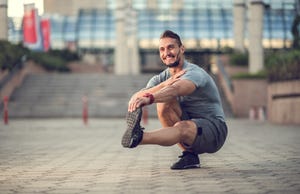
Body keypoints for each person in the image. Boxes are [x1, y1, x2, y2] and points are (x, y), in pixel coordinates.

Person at [121, 30, 228, 170]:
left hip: (214, 130)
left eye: (171, 47)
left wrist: (151, 98)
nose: (166, 53)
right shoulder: (161, 78)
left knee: (172, 108)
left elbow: (176, 89)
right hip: (189, 123)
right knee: (164, 103)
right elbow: (136, 97)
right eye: (162, 49)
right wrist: (166, 83)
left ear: (181, 49)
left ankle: (139, 138)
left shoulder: (194, 73)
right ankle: (190, 156)